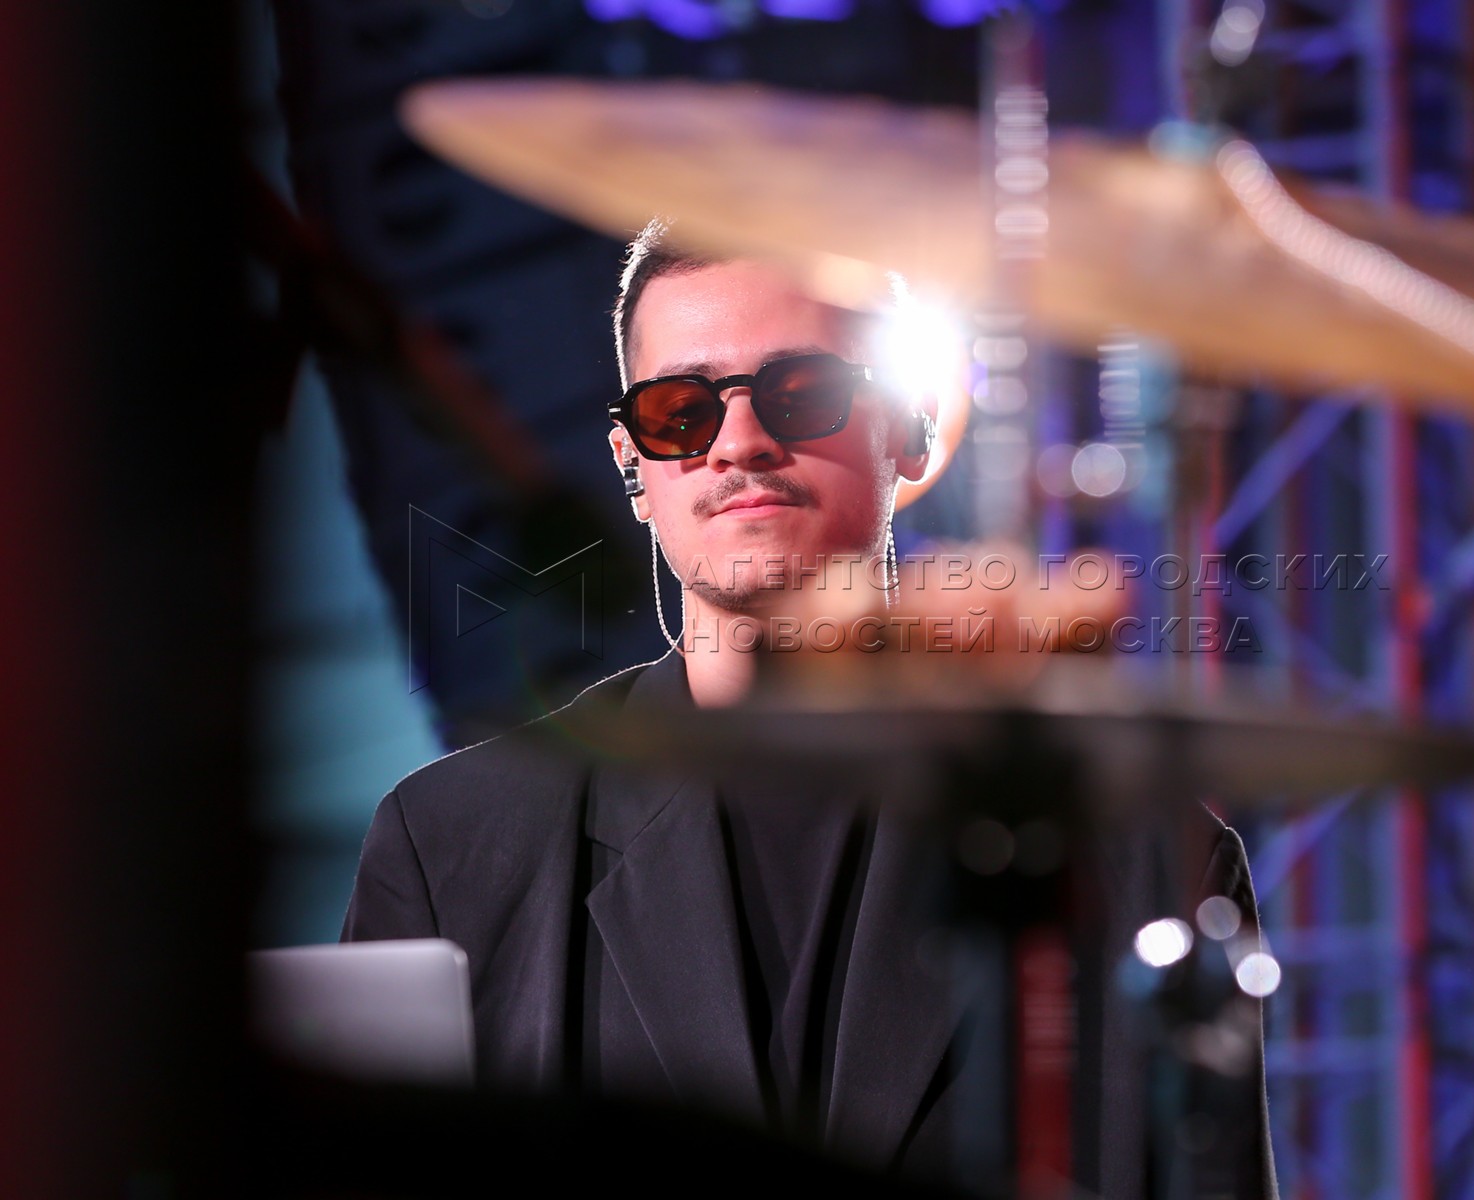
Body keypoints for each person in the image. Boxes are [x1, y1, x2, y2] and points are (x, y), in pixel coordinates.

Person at [342, 219, 1277, 1196]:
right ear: (633, 466)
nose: (740, 442)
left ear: (912, 430)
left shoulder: (1144, 855)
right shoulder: (452, 844)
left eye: (801, 392)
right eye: (680, 411)